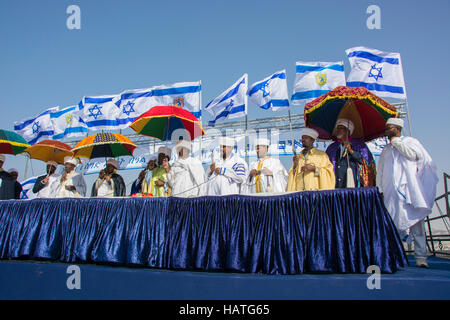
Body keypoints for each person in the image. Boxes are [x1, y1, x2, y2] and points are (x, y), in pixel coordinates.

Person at [377, 118, 438, 268]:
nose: (385, 132)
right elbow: (381, 171)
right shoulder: (386, 149)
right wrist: (380, 188)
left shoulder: (410, 142)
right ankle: (395, 257)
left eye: (388, 128)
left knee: (416, 226)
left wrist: (397, 142)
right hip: (391, 193)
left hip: (409, 191)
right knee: (393, 225)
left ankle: (421, 257)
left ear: (397, 129)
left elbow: (413, 155)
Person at [326, 118, 376, 188]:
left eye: (341, 128)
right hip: (336, 184)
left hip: (353, 182)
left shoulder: (359, 145)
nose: (338, 131)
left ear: (348, 131)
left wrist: (351, 150)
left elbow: (364, 161)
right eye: (337, 128)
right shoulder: (332, 147)